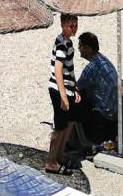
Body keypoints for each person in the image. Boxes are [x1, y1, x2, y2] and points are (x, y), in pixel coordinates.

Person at [44, 13, 80, 174]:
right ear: (62, 25)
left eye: (75, 25)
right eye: (70, 26)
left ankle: (59, 156)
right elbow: (58, 70)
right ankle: (51, 161)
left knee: (68, 123)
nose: (74, 28)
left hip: (67, 88)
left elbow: (68, 69)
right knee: (59, 127)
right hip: (59, 89)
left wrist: (75, 88)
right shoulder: (61, 44)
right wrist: (64, 95)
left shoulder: (67, 42)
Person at [74, 32, 118, 143]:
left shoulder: (92, 67)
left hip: (104, 113)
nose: (78, 49)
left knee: (73, 99)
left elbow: (78, 87)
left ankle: (80, 139)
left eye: (80, 46)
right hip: (115, 108)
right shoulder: (103, 59)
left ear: (88, 48)